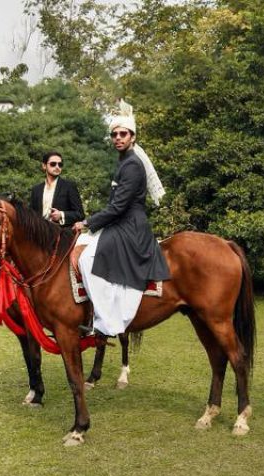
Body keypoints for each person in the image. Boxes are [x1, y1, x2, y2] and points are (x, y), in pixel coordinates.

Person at [72, 100, 170, 337]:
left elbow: (117, 207)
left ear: (132, 137)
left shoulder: (132, 165)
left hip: (130, 226)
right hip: (122, 223)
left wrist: (86, 222)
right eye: (114, 134)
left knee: (86, 260)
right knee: (82, 247)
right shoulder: (124, 162)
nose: (118, 138)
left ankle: (107, 322)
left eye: (123, 134)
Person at [29, 151, 85, 226]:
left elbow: (80, 214)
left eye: (60, 164)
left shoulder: (69, 186)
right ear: (44, 166)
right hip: (39, 234)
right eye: (53, 164)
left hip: (61, 233)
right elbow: (31, 215)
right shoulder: (36, 190)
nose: (57, 167)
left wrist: (61, 215)